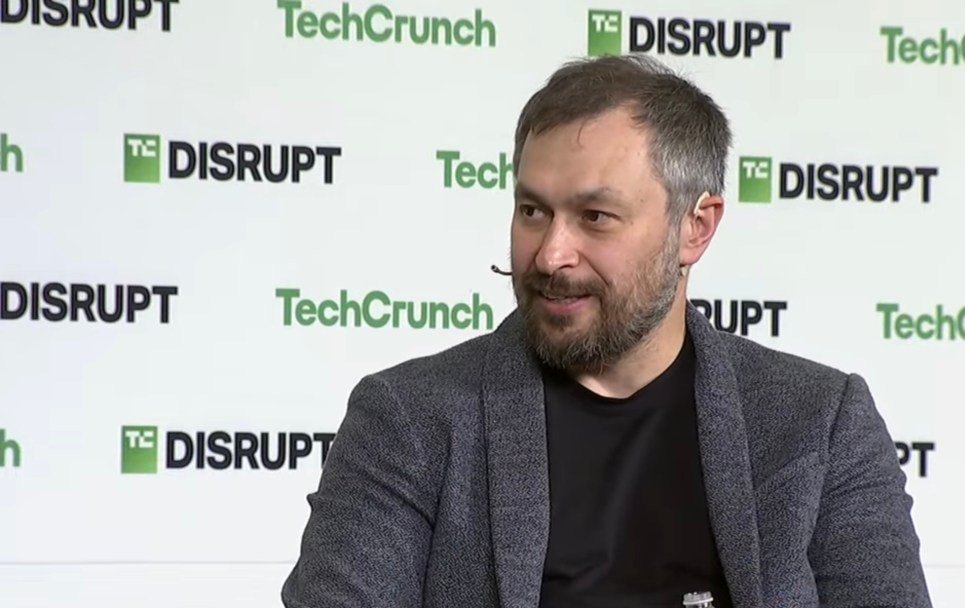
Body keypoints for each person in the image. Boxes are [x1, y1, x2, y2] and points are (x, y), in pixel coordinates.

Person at [282, 55, 931, 608]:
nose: (549, 254)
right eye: (532, 210)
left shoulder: (821, 422)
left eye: (595, 216)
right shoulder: (410, 420)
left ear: (695, 227)